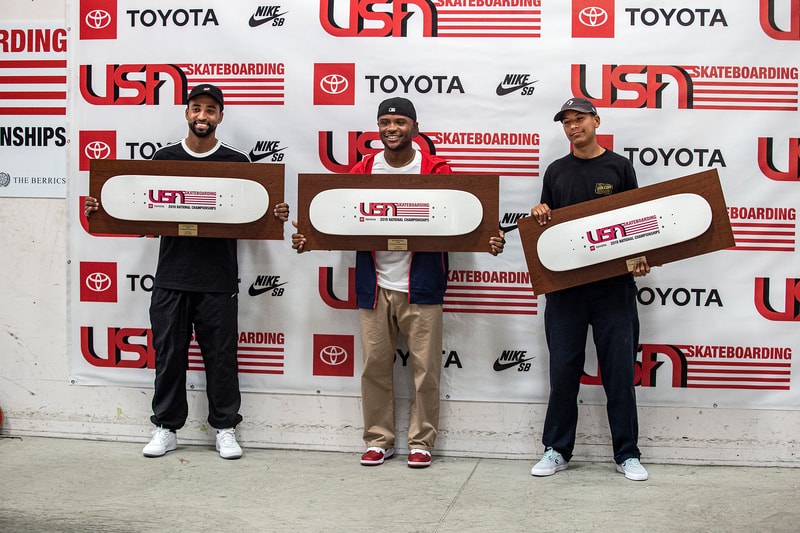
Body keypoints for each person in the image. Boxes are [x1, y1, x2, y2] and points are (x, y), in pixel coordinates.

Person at [292, 97, 505, 468]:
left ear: (415, 128)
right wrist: (308, 235)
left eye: (400, 122)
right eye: (386, 121)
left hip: (422, 285)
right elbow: (336, 216)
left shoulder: (437, 170)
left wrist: (489, 236)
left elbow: (466, 217)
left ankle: (422, 442)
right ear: (378, 128)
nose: (392, 128)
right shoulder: (362, 171)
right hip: (374, 286)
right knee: (374, 366)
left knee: (426, 370)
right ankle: (379, 439)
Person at [84, 83, 290, 459]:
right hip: (171, 277)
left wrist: (273, 214)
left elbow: (259, 213)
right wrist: (103, 207)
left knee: (222, 358)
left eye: (211, 110)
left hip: (218, 279)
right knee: (169, 356)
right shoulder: (164, 157)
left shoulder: (238, 163)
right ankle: (165, 427)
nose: (202, 116)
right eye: (196, 108)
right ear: (187, 112)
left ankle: (225, 428)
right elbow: (136, 207)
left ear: (220, 117)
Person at [529, 97, 651, 481]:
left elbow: (635, 220)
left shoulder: (619, 167)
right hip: (565, 290)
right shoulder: (556, 170)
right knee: (564, 372)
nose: (572, 126)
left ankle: (627, 454)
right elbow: (546, 225)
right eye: (566, 121)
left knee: (618, 373)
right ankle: (556, 449)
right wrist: (539, 212)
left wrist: (639, 257)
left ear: (596, 121)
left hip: (613, 288)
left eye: (579, 119)